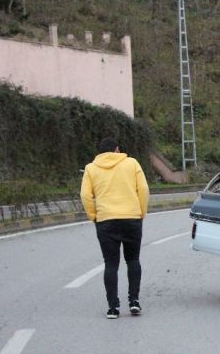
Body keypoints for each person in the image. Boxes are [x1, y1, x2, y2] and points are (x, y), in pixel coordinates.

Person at [80, 137, 150, 319]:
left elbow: (85, 196)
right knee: (133, 260)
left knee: (111, 264)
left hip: (106, 221)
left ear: (100, 153)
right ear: (117, 149)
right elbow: (143, 189)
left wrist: (93, 216)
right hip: (132, 218)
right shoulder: (132, 163)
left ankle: (113, 308)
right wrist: (141, 211)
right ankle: (134, 301)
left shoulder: (91, 168)